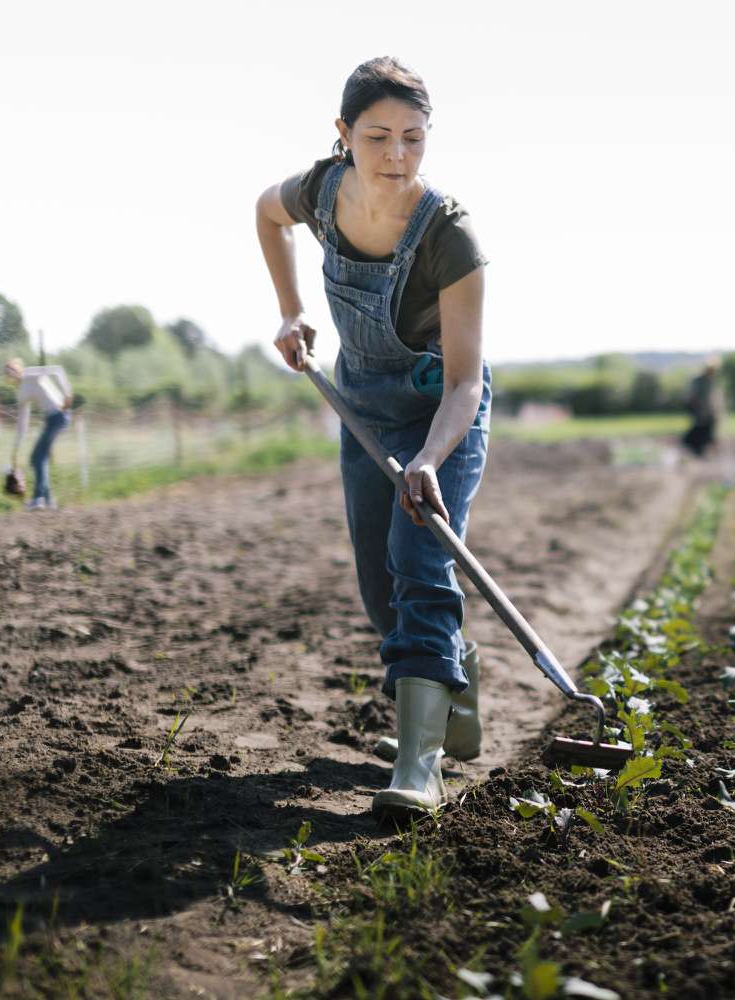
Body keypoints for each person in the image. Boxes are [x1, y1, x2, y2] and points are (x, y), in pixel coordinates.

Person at [255, 57, 490, 816]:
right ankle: (452, 672)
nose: (397, 157)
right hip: (363, 408)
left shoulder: (450, 237)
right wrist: (291, 310)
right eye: (379, 137)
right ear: (344, 134)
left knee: (419, 559)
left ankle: (419, 766)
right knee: (380, 585)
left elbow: (464, 384)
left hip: (439, 419)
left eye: (415, 139)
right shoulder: (322, 193)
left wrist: (427, 458)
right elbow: (265, 212)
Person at [4, 358, 73, 511]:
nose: (12, 375)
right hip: (51, 419)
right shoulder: (21, 393)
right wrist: (16, 448)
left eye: (13, 370)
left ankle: (38, 498)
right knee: (38, 459)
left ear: (19, 368)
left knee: (37, 458)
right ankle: (48, 500)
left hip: (59, 415)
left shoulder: (31, 373)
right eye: (9, 374)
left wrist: (67, 394)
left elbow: (57, 370)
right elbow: (23, 422)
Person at [681, 356, 721, 458]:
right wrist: (700, 409)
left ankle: (701, 446)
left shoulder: (710, 381)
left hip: (704, 409)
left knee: (706, 426)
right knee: (701, 427)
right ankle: (693, 446)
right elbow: (694, 396)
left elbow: (712, 397)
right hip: (697, 408)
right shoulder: (700, 380)